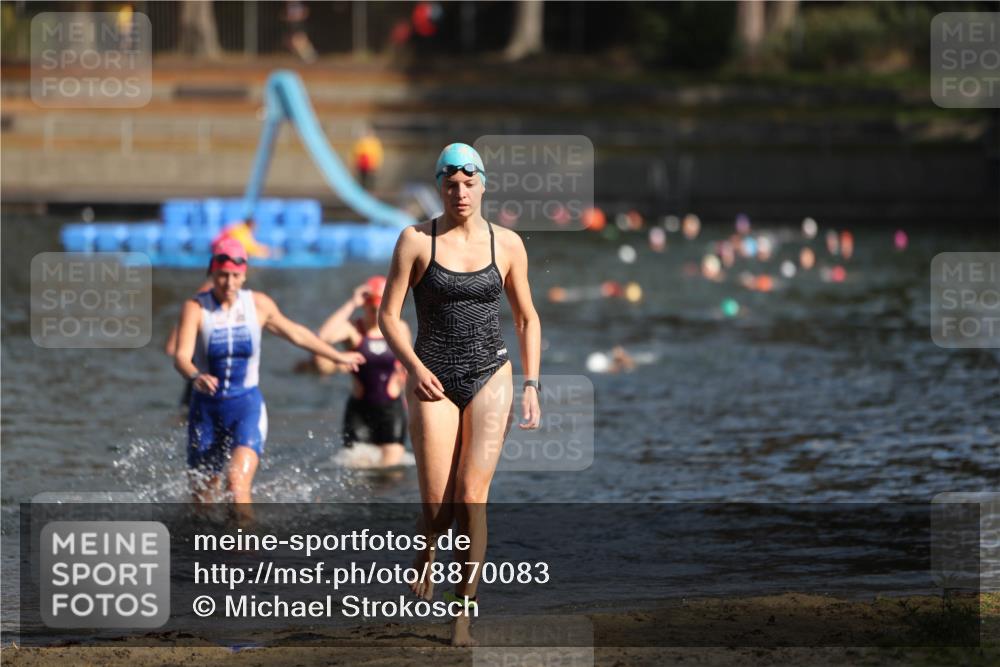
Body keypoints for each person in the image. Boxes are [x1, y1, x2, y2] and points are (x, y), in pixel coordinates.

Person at [378, 143, 542, 646]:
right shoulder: (415, 241)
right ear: (440, 187)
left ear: (483, 185)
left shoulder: (508, 244)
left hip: (490, 372)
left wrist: (532, 384)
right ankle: (427, 547)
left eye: (469, 183)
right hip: (432, 377)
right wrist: (413, 366)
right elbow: (388, 316)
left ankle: (462, 617)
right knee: (438, 507)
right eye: (451, 184)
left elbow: (525, 317)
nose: (460, 192)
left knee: (471, 498)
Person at [173, 238, 364, 512]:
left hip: (245, 406)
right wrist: (195, 376)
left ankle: (245, 550)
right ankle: (207, 552)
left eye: (235, 276)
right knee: (203, 502)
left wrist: (336, 355)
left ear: (245, 274)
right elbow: (180, 356)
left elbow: (297, 333)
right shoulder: (196, 307)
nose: (229, 283)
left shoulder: (258, 305)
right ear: (212, 274)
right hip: (206, 411)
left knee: (236, 484)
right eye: (222, 276)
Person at [314, 276, 411, 468]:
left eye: (380, 307)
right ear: (365, 305)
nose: (376, 312)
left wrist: (412, 404)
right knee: (358, 474)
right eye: (371, 307)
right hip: (359, 410)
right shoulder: (353, 330)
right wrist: (352, 303)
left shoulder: (399, 328)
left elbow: (406, 369)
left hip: (392, 411)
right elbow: (322, 336)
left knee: (391, 471)